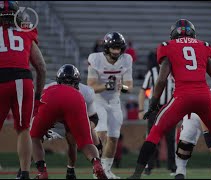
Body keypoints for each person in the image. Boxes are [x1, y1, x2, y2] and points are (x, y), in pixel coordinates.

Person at [127, 19, 211, 179]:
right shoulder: (203, 46)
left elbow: (162, 79)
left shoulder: (167, 47)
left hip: (182, 96)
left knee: (155, 132)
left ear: (173, 35)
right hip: (204, 96)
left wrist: (153, 104)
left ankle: (136, 175)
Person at [29, 65, 107, 179]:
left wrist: (40, 127)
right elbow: (94, 117)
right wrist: (83, 132)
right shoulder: (86, 91)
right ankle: (96, 164)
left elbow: (36, 110)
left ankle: (41, 172)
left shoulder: (49, 87)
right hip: (75, 102)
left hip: (51, 100)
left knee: (34, 137)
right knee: (86, 143)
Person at [0, 1, 46, 179]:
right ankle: (24, 173)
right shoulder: (26, 31)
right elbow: (41, 67)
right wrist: (37, 95)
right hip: (22, 80)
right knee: (23, 129)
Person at [87, 31, 133, 179]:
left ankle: (106, 170)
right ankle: (97, 169)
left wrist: (122, 87)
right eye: (113, 48)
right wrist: (107, 86)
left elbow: (129, 86)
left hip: (115, 101)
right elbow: (91, 85)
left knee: (113, 137)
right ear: (107, 48)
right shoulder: (96, 59)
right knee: (101, 133)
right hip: (98, 100)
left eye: (119, 48)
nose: (116, 51)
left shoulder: (126, 60)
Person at [138, 55, 176, 176]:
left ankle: (173, 166)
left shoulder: (175, 71)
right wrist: (140, 109)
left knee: (171, 139)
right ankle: (149, 166)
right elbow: (143, 90)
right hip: (155, 109)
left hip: (170, 108)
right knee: (152, 138)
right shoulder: (153, 72)